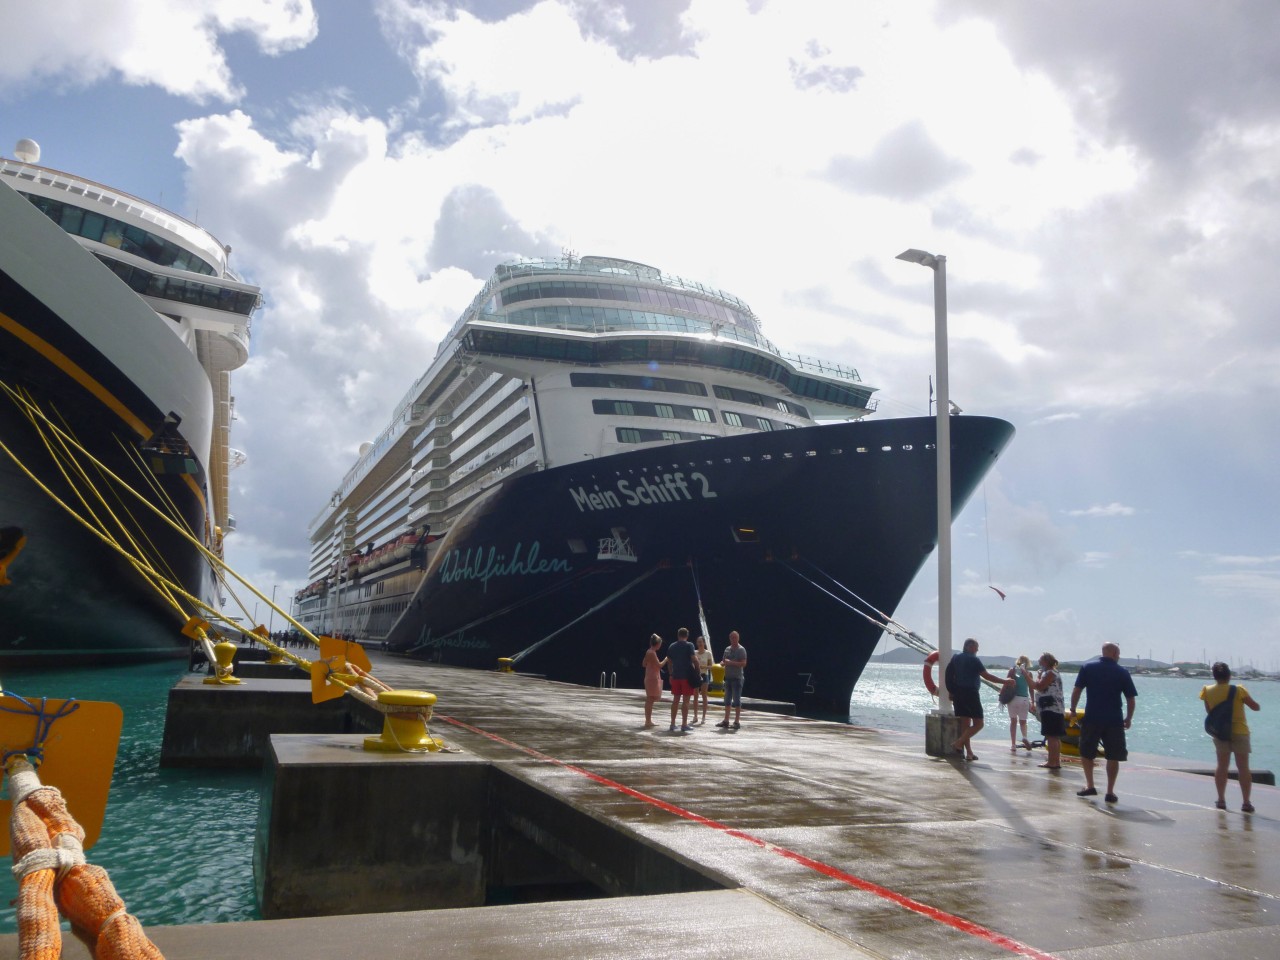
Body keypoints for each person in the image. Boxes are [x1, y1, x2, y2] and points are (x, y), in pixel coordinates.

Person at [1070, 642, 1138, 803]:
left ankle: (1090, 785)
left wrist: (1073, 709)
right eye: (1118, 653)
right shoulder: (1122, 672)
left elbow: (1077, 690)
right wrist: (1128, 718)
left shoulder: (1088, 668)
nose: (1119, 656)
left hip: (1092, 717)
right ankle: (1110, 791)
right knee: (1113, 755)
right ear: (1114, 654)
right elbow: (1130, 699)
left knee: (1086, 752)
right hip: (1114, 720)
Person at [1200, 662, 1261, 812]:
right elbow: (1255, 707)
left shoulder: (1207, 690)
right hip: (1240, 731)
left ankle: (1221, 800)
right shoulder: (1238, 690)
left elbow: (1210, 712)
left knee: (1222, 766)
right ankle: (1246, 802)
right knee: (1243, 768)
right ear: (1229, 675)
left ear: (1214, 676)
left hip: (1220, 732)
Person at [947, 638, 1006, 761]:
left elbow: (948, 675)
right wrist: (1005, 682)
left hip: (958, 693)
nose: (977, 650)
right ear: (968, 647)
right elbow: (987, 676)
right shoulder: (974, 659)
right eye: (976, 647)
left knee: (965, 724)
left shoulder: (955, 658)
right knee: (979, 723)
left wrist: (951, 691)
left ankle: (969, 752)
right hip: (970, 693)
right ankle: (958, 743)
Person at [1030, 652, 1065, 770]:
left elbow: (1040, 686)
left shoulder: (1050, 673)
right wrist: (1040, 675)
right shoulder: (1054, 672)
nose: (1039, 663)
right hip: (1057, 709)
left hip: (1050, 708)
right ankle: (1056, 761)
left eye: (1041, 661)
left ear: (1046, 661)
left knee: (1051, 736)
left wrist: (1034, 677)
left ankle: (1051, 761)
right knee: (1055, 736)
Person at [667, 626, 698, 733]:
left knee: (675, 700)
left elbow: (669, 662)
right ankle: (684, 724)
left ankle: (672, 723)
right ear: (687, 636)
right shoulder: (689, 645)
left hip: (676, 676)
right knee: (686, 701)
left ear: (678, 635)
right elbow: (694, 660)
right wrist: (697, 672)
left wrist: (671, 674)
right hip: (687, 677)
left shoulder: (672, 646)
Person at [716, 630, 747, 730]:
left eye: (735, 637)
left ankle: (737, 722)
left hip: (737, 678)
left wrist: (731, 663)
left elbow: (743, 663)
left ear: (738, 638)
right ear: (730, 639)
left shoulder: (741, 649)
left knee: (737, 700)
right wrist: (723, 663)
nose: (734, 639)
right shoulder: (727, 649)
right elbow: (724, 661)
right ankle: (726, 720)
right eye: (732, 638)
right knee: (727, 700)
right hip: (728, 678)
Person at [1006, 655, 1034, 752]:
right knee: (1023, 721)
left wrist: (1001, 696)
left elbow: (1006, 683)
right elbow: (1031, 688)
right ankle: (1025, 737)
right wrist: (1033, 702)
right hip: (1024, 699)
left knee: (1013, 721)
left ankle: (1013, 745)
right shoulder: (1029, 674)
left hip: (1013, 698)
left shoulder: (1012, 671)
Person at [641, 634, 668, 729]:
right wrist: (666, 659)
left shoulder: (649, 651)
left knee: (650, 699)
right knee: (650, 699)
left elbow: (644, 664)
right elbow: (660, 665)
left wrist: (651, 664)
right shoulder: (652, 652)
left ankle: (648, 720)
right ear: (657, 644)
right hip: (652, 678)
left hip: (649, 676)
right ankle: (648, 720)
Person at [694, 635, 714, 725]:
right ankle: (695, 716)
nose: (700, 644)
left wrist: (703, 666)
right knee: (695, 696)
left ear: (704, 643)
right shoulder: (694, 653)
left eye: (701, 642)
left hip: (704, 675)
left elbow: (711, 666)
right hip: (696, 675)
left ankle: (703, 716)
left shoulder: (708, 653)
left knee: (704, 696)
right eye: (698, 642)